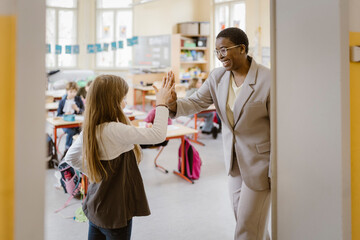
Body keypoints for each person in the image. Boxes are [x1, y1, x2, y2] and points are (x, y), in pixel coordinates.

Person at [166, 27, 271, 240]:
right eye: (217, 52)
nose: (220, 56)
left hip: (261, 165)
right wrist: (173, 104)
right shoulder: (218, 77)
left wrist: (276, 171)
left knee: (247, 228)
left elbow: (281, 129)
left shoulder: (268, 80)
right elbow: (197, 101)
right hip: (234, 162)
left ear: (242, 49)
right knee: (246, 221)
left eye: (224, 50)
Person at [63, 74, 173, 240]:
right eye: (123, 98)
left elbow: (70, 158)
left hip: (95, 207)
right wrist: (162, 103)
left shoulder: (92, 127)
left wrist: (94, 172)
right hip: (115, 213)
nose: (126, 102)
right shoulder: (114, 130)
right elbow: (158, 135)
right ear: (112, 102)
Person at [57, 82, 84, 151]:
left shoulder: (78, 99)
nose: (72, 94)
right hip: (65, 124)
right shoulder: (62, 101)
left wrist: (77, 109)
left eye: (74, 92)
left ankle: (78, 149)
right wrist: (65, 114)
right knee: (71, 131)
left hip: (76, 123)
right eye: (70, 91)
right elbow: (58, 115)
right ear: (67, 91)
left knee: (82, 131)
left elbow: (83, 111)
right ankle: (68, 148)